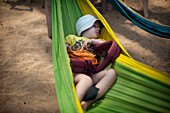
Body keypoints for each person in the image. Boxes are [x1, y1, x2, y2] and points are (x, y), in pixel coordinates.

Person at [65, 14, 117, 111]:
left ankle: (88, 102)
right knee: (86, 80)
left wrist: (93, 41)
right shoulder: (72, 38)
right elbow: (62, 50)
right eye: (95, 26)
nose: (98, 29)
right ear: (84, 26)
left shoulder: (97, 42)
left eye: (99, 28)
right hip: (75, 73)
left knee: (111, 73)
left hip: (91, 74)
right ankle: (74, 106)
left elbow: (111, 45)